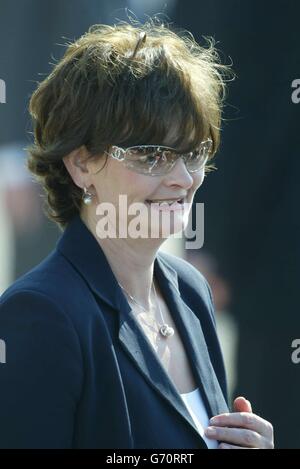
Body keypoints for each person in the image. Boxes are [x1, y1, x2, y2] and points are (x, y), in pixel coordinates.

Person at [0, 21, 274, 449]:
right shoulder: (40, 315)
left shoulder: (190, 292)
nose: (183, 178)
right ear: (81, 163)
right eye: (152, 155)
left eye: (193, 152)